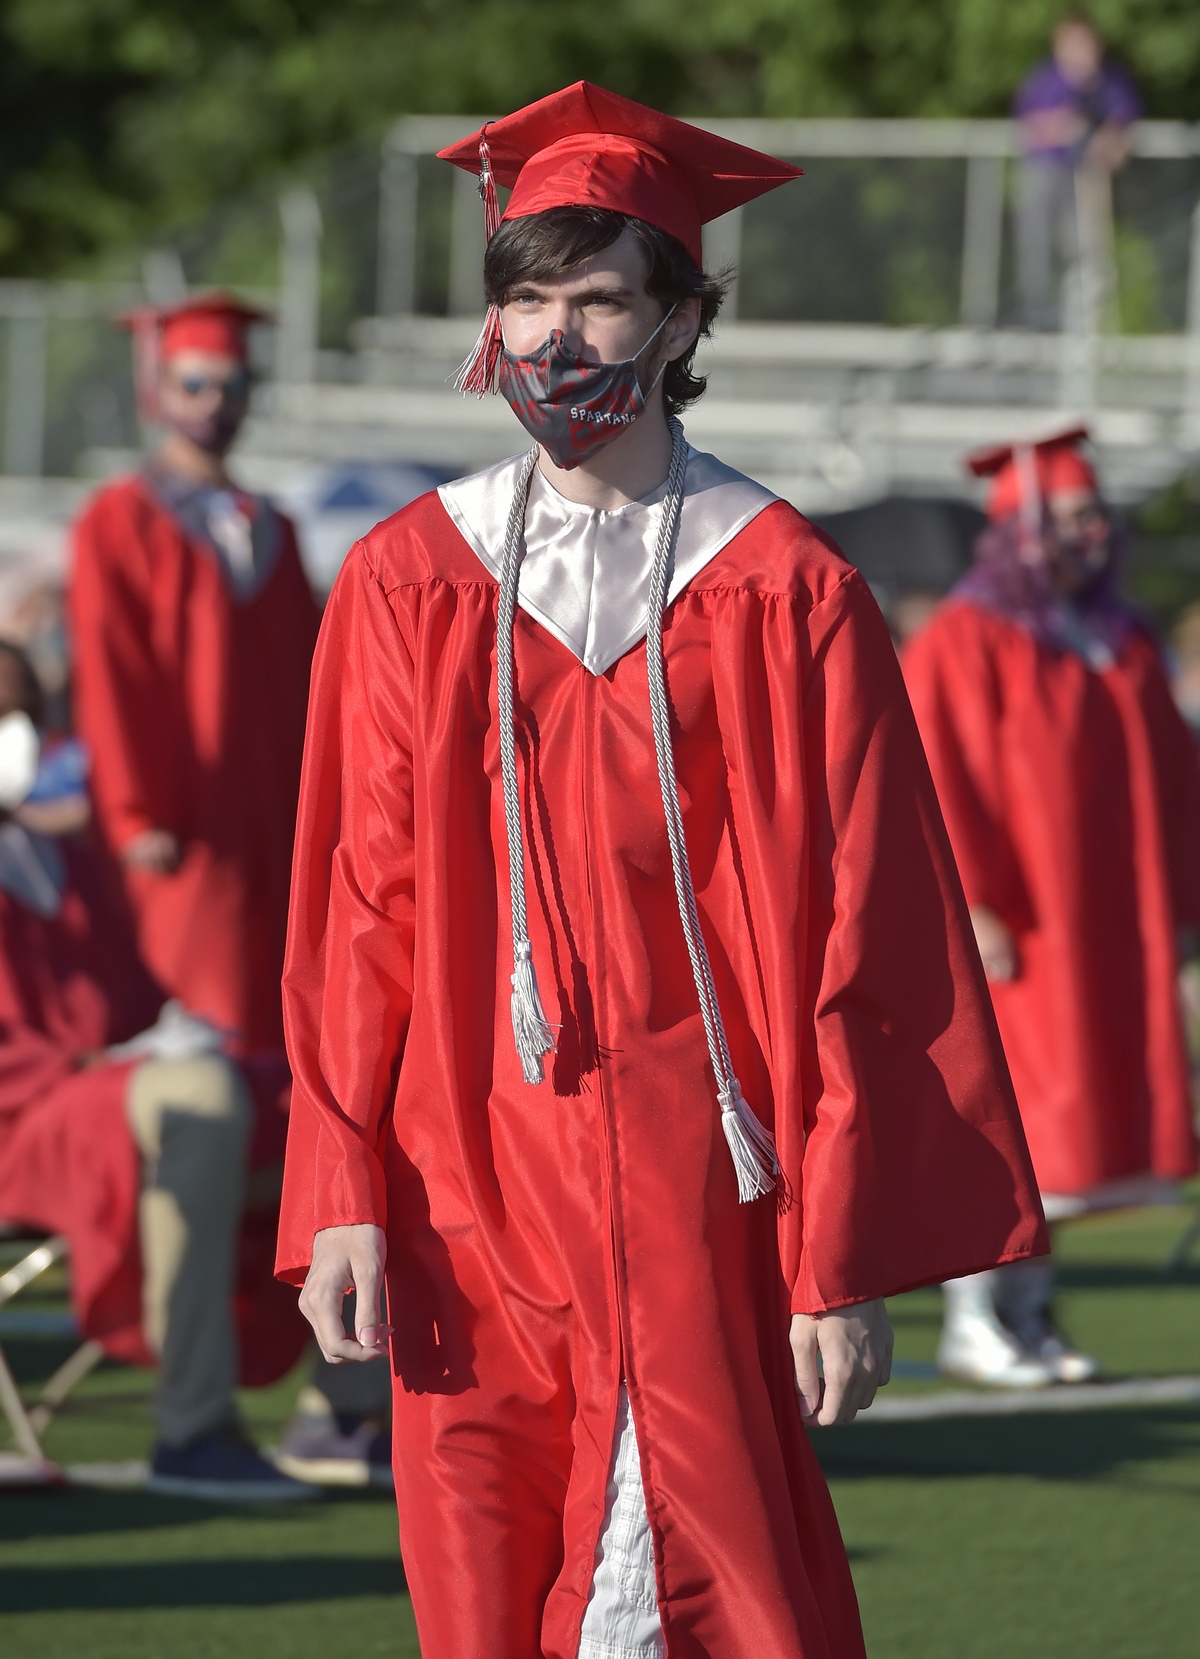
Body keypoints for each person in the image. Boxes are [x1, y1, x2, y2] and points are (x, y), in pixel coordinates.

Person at [276, 83, 1046, 1659]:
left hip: (696, 1166)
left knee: (686, 1572)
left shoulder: (786, 592)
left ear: (682, 314)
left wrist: (839, 1250)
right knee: (483, 1563)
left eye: (602, 300)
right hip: (456, 1166)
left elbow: (862, 939)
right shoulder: (412, 576)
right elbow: (360, 904)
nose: (558, 339)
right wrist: (341, 1180)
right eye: (527, 298)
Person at [903, 428, 1200, 1388]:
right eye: (1066, 519)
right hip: (1021, 927)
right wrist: (971, 903)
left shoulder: (1116, 637)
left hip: (1114, 924)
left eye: (1094, 517)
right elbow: (934, 773)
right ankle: (972, 1312)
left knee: (1077, 1139)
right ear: (1018, 530)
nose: (1088, 535)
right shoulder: (967, 636)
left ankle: (1030, 1312)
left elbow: (1175, 777)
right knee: (1015, 1120)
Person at [0, 641, 312, 1497]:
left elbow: (136, 998)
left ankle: (349, 1405)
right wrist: (103, 1058)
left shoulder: (64, 856)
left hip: (114, 1093)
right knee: (202, 1099)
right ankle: (192, 1424)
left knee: (326, 1107)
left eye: (25, 712)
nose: (18, 733)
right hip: (26, 1119)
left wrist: (166, 1034)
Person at [69, 294, 321, 1056]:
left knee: (279, 1002)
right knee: (199, 1016)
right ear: (157, 391)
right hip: (179, 817)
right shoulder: (119, 520)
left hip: (273, 812)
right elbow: (112, 676)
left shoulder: (275, 526)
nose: (215, 403)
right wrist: (134, 812)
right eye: (194, 384)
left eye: (232, 386)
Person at [1013, 15, 1140, 330]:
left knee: (1086, 251)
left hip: (1086, 178)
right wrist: (1066, 128)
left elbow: (1122, 121)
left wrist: (1107, 139)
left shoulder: (1109, 80)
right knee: (1037, 250)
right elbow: (1030, 125)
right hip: (1046, 173)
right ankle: (1036, 321)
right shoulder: (1045, 80)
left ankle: (1090, 324)